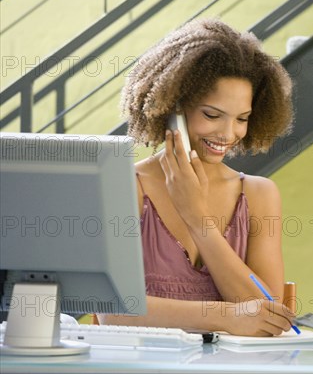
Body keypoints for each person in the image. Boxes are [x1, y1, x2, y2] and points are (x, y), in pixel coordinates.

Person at [99, 18, 295, 336]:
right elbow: (116, 312)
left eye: (242, 118)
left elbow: (266, 320)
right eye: (212, 115)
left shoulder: (259, 195)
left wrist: (197, 217)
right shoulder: (127, 187)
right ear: (173, 106)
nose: (228, 133)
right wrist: (224, 316)